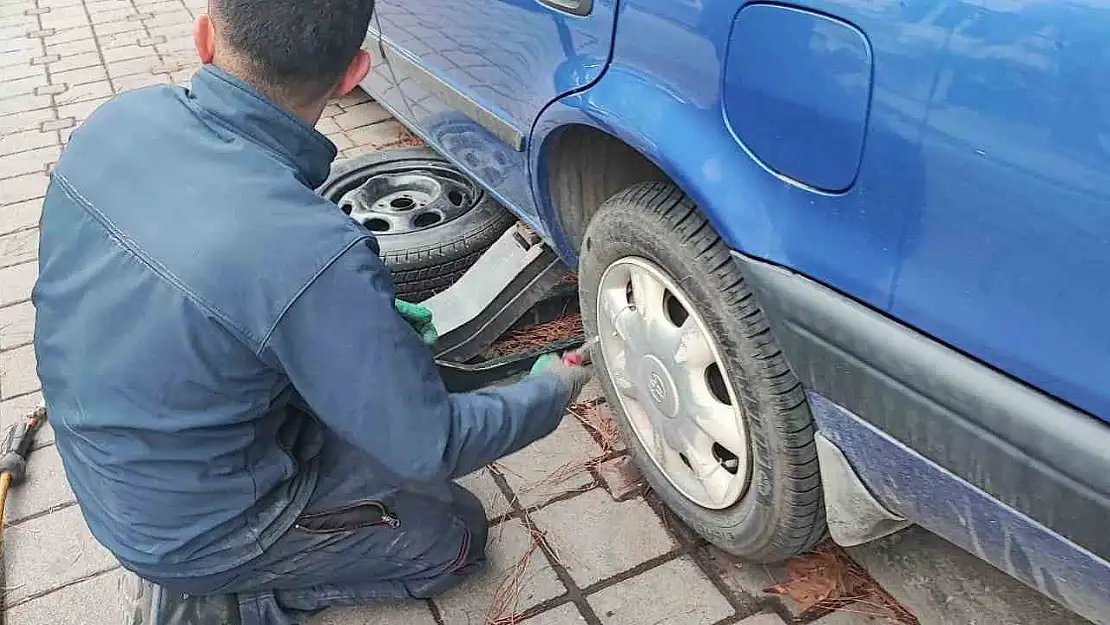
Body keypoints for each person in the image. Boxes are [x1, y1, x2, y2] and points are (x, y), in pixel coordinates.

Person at [30, 1, 591, 623]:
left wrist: (351, 320)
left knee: (388, 409)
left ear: (204, 36)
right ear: (355, 72)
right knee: (454, 537)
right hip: (200, 527)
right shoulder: (313, 252)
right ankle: (223, 601)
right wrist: (549, 391)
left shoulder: (114, 121)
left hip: (118, 460)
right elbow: (431, 446)